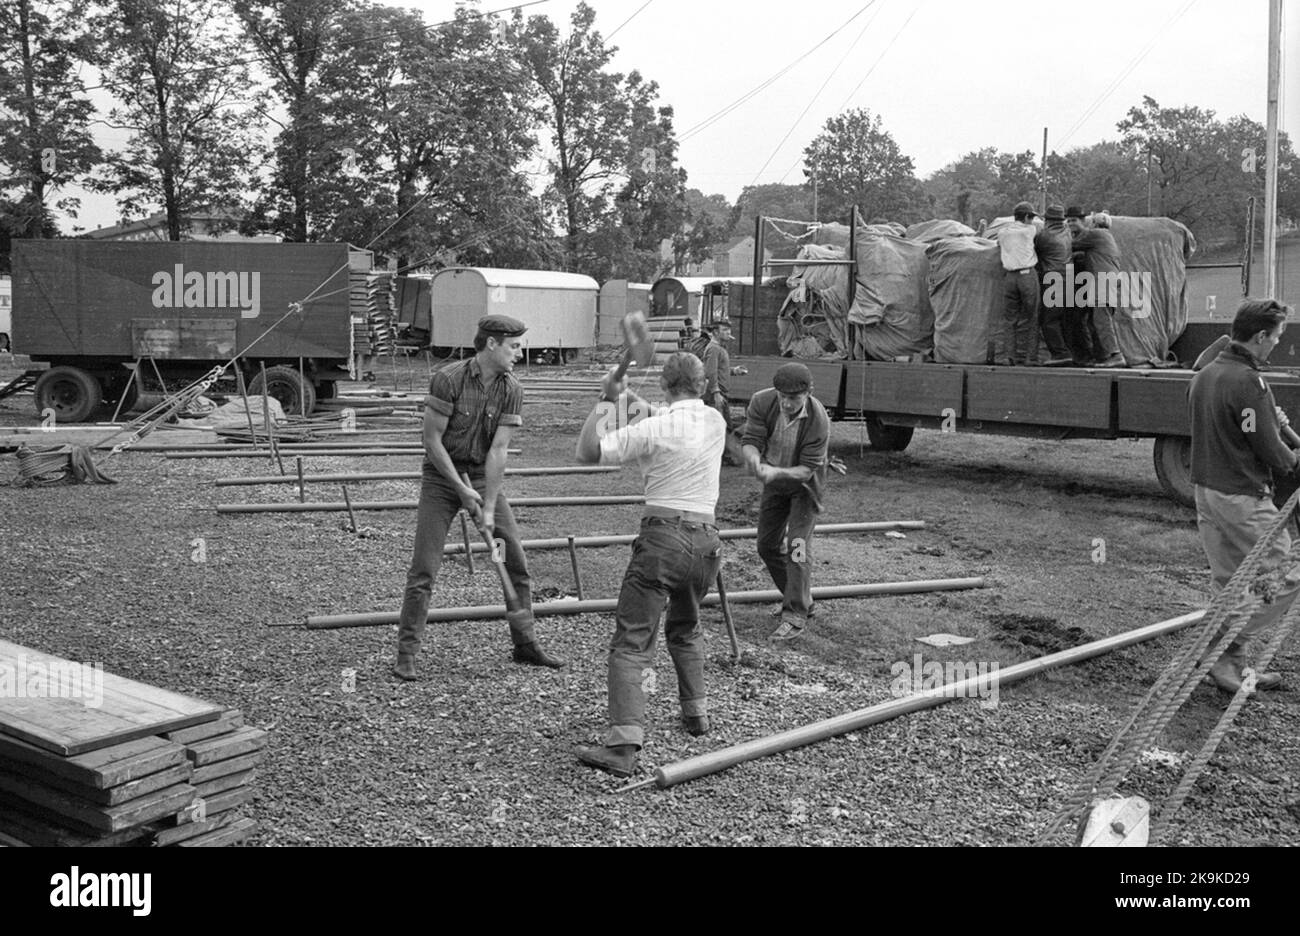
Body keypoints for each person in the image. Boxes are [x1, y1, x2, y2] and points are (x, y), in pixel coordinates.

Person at [572, 352, 726, 777]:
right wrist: (624, 394)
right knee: (686, 628)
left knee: (632, 643)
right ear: (702, 384)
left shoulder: (651, 428)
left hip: (663, 538)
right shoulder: (715, 420)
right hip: (707, 542)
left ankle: (622, 746)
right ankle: (696, 715)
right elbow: (667, 412)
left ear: (665, 383)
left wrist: (606, 401)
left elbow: (586, 452)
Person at [392, 314, 563, 681]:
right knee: (425, 566)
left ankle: (525, 643)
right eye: (514, 346)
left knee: (508, 554)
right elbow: (431, 442)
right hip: (441, 480)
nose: (519, 353)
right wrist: (460, 488)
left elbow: (499, 450)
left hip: (483, 479)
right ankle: (407, 652)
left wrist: (486, 506)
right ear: (491, 344)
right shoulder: (448, 379)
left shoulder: (511, 389)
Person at [1188, 298, 1297, 693]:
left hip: (1206, 491)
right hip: (1241, 496)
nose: (1276, 346)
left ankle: (1229, 668)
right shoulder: (1250, 383)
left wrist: (1266, 414)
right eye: (1275, 338)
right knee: (1284, 568)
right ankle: (1222, 644)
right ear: (1261, 336)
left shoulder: (1206, 374)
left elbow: (1242, 424)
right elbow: (1274, 453)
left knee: (1232, 580)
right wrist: (1293, 456)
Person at [740, 362, 830, 640]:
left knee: (797, 546)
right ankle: (802, 598)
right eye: (783, 397)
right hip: (775, 483)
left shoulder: (819, 419)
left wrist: (775, 470)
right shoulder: (761, 401)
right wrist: (754, 458)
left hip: (805, 487)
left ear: (807, 394)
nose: (787, 404)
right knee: (766, 546)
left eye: (794, 399)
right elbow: (751, 438)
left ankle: (795, 613)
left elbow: (806, 469)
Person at [1066, 207, 1126, 368]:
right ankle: (1104, 355)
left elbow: (1069, 245)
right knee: (1096, 321)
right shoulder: (1106, 237)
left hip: (1102, 282)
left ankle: (1115, 355)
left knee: (1101, 321)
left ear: (1094, 223)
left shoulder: (1095, 235)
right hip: (1107, 281)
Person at [1034, 205, 1077, 367]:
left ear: (1048, 220)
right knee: (1065, 318)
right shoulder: (1068, 233)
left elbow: (1033, 253)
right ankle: (1071, 352)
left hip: (1053, 278)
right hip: (1071, 278)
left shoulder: (1044, 236)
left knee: (1048, 319)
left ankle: (1060, 354)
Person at [999, 201, 1040, 366]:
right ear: (1025, 217)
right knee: (1033, 317)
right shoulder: (1030, 230)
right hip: (1027, 275)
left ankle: (1009, 356)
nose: (1032, 220)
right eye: (1031, 217)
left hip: (1009, 277)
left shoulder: (1002, 232)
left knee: (1010, 319)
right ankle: (1031, 357)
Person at [700, 317, 740, 464]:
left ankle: (724, 456)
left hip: (720, 393)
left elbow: (719, 370)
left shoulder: (719, 349)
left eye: (729, 330)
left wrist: (734, 371)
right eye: (724, 330)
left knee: (725, 425)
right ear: (715, 332)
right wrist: (716, 392)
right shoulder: (714, 348)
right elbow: (710, 372)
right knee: (719, 425)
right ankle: (719, 456)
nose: (728, 332)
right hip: (715, 394)